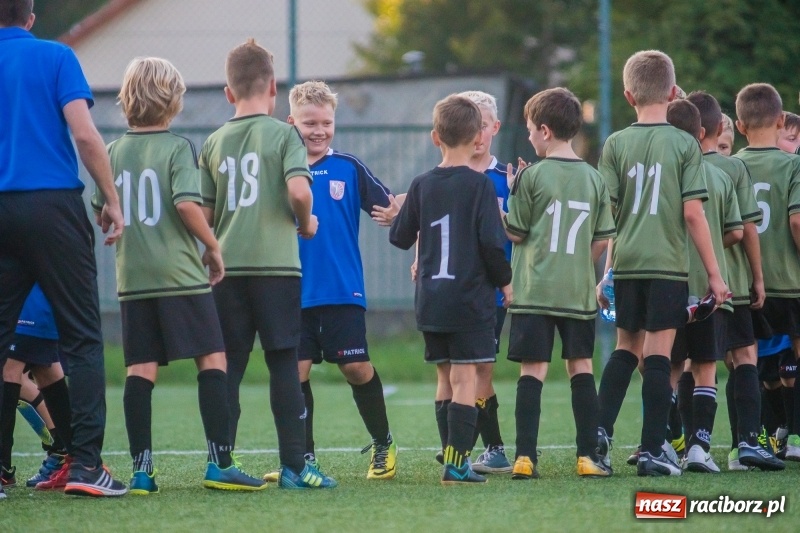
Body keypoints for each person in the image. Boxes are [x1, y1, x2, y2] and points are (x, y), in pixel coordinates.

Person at [93, 56, 266, 493]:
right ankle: (219, 462)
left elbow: (101, 210)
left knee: (140, 368)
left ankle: (142, 471)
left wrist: (113, 225)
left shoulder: (112, 152)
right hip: (179, 276)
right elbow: (188, 205)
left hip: (132, 279)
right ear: (173, 101)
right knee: (212, 357)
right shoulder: (178, 147)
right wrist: (212, 246)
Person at [0, 0, 126, 499]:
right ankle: (86, 467)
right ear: (30, 17)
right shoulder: (56, 57)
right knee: (81, 337)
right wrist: (111, 199)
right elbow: (84, 134)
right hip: (52, 206)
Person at [199, 39, 335, 489]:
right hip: (276, 268)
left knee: (229, 365)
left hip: (227, 269)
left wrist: (212, 249)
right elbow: (299, 192)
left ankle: (220, 461)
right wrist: (307, 222)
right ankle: (295, 467)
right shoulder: (284, 135)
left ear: (228, 92)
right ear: (274, 88)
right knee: (282, 362)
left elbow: (203, 213)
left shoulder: (214, 141)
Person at [594, 50, 728, 477]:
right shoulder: (686, 144)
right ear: (673, 94)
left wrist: (605, 272)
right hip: (668, 267)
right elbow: (693, 214)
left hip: (629, 264)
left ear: (628, 95)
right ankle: (653, 450)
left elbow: (609, 217)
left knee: (624, 349)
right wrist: (713, 274)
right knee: (657, 356)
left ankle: (597, 437)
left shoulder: (615, 143)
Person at [260, 80, 397, 482]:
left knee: (355, 366)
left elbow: (389, 205)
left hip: (342, 290)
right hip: (292, 291)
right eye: (309, 123)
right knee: (296, 372)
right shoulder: (280, 170)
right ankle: (304, 459)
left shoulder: (348, 167)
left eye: (326, 122)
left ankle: (383, 442)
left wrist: (399, 212)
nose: (318, 131)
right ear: (291, 123)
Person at [389, 94, 512, 485]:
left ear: (434, 137)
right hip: (469, 299)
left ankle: (452, 455)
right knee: (465, 380)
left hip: (430, 299)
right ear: (478, 137)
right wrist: (507, 285)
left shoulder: (421, 184)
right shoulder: (479, 187)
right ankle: (456, 465)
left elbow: (400, 236)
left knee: (444, 378)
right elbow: (493, 246)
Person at [504, 88, 615, 480]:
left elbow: (516, 233)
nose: (530, 136)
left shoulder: (531, 176)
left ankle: (524, 457)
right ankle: (586, 455)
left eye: (532, 130)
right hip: (576, 292)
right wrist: (577, 266)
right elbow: (602, 239)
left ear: (546, 131)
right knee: (580, 366)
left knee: (532, 371)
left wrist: (509, 194)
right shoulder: (594, 178)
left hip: (533, 291)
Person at [684, 91, 783, 471]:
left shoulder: (678, 167)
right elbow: (745, 229)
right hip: (732, 280)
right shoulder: (731, 169)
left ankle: (687, 443)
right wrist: (758, 278)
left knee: (693, 361)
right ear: (712, 131)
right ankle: (747, 442)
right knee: (745, 356)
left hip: (687, 281)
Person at [664, 99, 746, 474]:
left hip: (670, 284)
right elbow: (736, 231)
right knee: (705, 366)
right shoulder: (720, 176)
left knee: (668, 365)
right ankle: (699, 446)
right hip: (712, 289)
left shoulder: (664, 174)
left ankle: (662, 443)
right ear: (705, 133)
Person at [734, 83, 800, 462]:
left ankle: (743, 442)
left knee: (748, 363)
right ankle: (793, 438)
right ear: (780, 120)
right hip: (789, 282)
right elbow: (796, 223)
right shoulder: (793, 165)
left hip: (746, 284)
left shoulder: (732, 165)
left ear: (740, 126)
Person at [452, 90, 514, 474]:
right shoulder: (449, 175)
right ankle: (459, 447)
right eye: (469, 124)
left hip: (490, 291)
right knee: (457, 371)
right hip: (452, 289)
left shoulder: (506, 178)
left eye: (483, 125)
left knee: (480, 370)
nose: (477, 133)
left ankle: (494, 448)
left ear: (495, 127)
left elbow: (521, 234)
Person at [0, 284, 72, 489]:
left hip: (25, 298)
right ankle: (70, 451)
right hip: (24, 298)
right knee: (40, 367)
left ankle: (65, 451)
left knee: (13, 370)